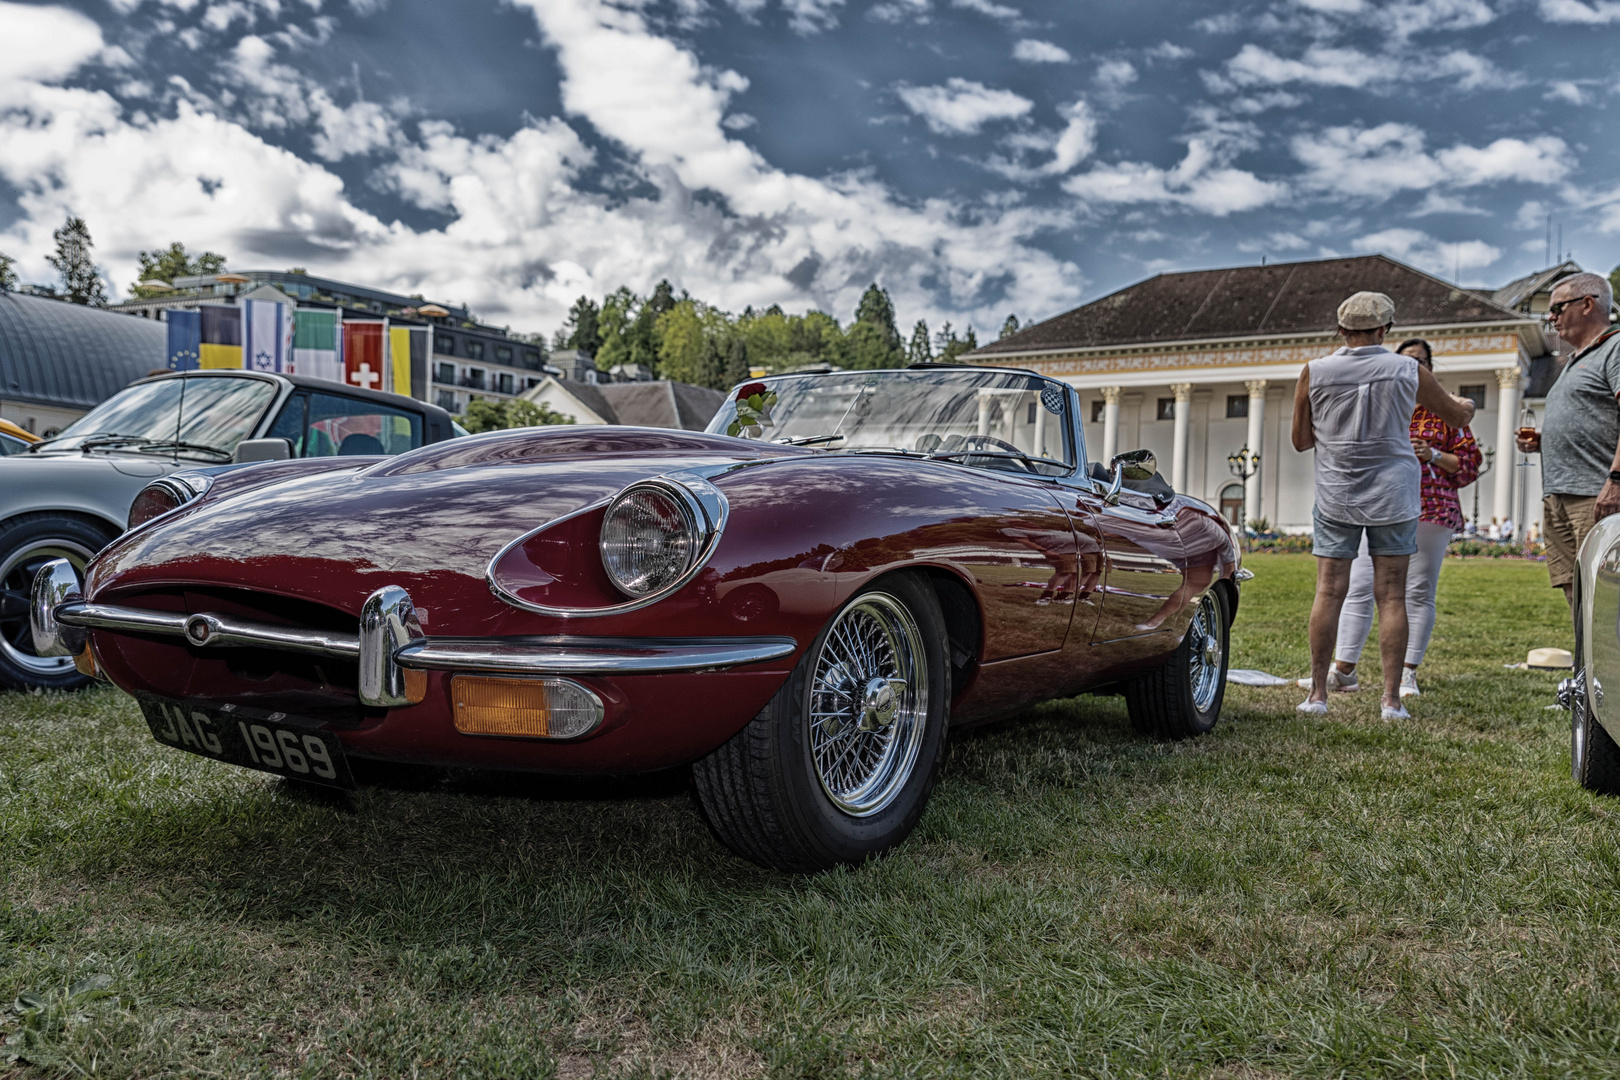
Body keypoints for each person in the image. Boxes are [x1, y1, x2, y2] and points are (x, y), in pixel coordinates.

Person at [1292, 292, 1476, 720]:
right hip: (1393, 494)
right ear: (1385, 330)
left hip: (1336, 491)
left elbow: (1301, 441)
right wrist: (1465, 404)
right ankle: (1391, 701)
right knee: (1393, 595)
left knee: (1329, 591)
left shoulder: (1314, 371)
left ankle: (1318, 694)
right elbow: (1457, 418)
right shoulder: (1408, 369)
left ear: (1340, 330)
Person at [1518, 272, 1620, 612]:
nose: (1551, 317)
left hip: (1596, 494)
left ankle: (1604, 667)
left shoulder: (1615, 347)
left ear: (1587, 304)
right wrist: (1546, 441)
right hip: (1560, 495)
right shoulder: (1574, 360)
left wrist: (1616, 480)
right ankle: (1586, 667)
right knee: (1578, 598)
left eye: (1558, 308)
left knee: (1605, 601)